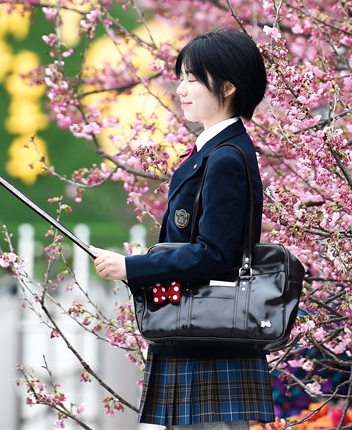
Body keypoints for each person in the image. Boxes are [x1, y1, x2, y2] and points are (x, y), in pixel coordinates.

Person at [92, 28, 275, 429]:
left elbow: (215, 254)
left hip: (206, 336)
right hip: (200, 330)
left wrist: (133, 267)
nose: (181, 89)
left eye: (193, 78)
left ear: (227, 87)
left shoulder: (225, 157)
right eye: (183, 78)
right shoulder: (215, 151)